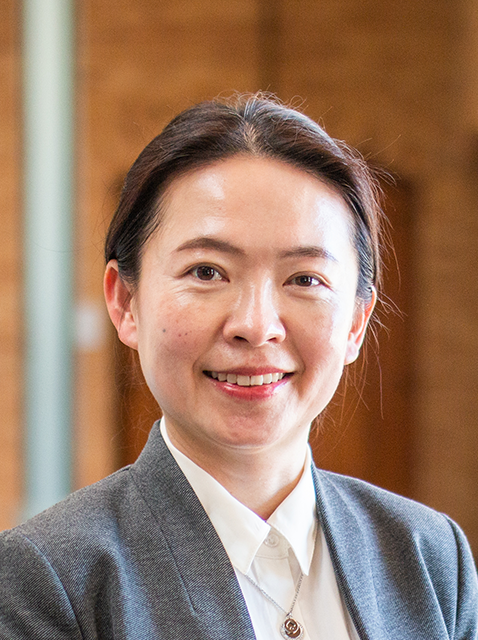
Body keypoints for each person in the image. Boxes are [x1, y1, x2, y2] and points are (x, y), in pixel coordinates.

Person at [0, 95, 477, 640]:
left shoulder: (429, 558)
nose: (256, 325)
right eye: (207, 271)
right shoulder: (48, 580)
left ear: (355, 322)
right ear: (126, 302)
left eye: (305, 279)